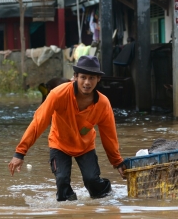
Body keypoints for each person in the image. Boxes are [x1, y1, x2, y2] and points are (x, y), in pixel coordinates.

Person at [8, 55, 127, 201]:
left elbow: (109, 135)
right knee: (62, 182)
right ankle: (68, 213)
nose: (87, 83)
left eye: (92, 78)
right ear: (75, 77)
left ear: (98, 79)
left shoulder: (103, 104)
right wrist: (20, 152)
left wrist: (117, 162)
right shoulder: (58, 94)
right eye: (83, 77)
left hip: (85, 146)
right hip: (59, 143)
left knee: (93, 182)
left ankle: (107, 193)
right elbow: (39, 122)